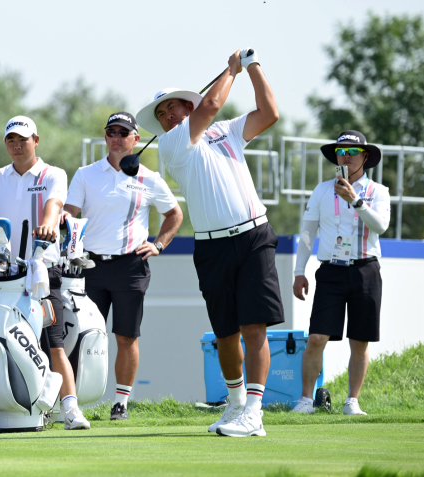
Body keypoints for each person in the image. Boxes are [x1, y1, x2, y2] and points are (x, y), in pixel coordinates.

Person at [136, 49, 282, 437]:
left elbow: (269, 114)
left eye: (172, 109)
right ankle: (234, 406)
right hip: (213, 247)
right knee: (225, 334)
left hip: (253, 235)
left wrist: (252, 68)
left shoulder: (228, 130)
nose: (167, 118)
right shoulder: (171, 146)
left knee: (255, 327)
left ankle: (254, 412)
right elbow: (214, 102)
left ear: (189, 105)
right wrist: (232, 69)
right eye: (161, 115)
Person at [63, 112, 183, 420]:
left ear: (135, 139)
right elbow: (70, 211)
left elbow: (174, 215)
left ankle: (121, 402)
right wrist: (67, 224)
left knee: (126, 336)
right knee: (81, 334)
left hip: (131, 265)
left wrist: (158, 244)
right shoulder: (86, 174)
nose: (116, 137)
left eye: (123, 132)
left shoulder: (149, 178)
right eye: (111, 132)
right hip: (89, 266)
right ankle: (71, 403)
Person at [0, 116, 90, 430]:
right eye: (11, 140)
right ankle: (8, 406)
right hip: (4, 276)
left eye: (23, 140)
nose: (17, 146)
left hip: (43, 270)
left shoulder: (52, 173)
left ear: (36, 141)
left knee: (53, 342)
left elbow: (54, 206)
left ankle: (70, 409)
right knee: (2, 338)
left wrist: (47, 223)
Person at [292, 130, 390, 415]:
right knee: (316, 338)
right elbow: (308, 234)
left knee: (359, 340)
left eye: (352, 152)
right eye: (340, 152)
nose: (345, 157)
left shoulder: (377, 192)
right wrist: (300, 271)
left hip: (365, 270)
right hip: (331, 271)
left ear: (365, 157)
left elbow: (381, 227)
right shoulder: (322, 190)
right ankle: (306, 400)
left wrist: (355, 199)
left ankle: (352, 401)